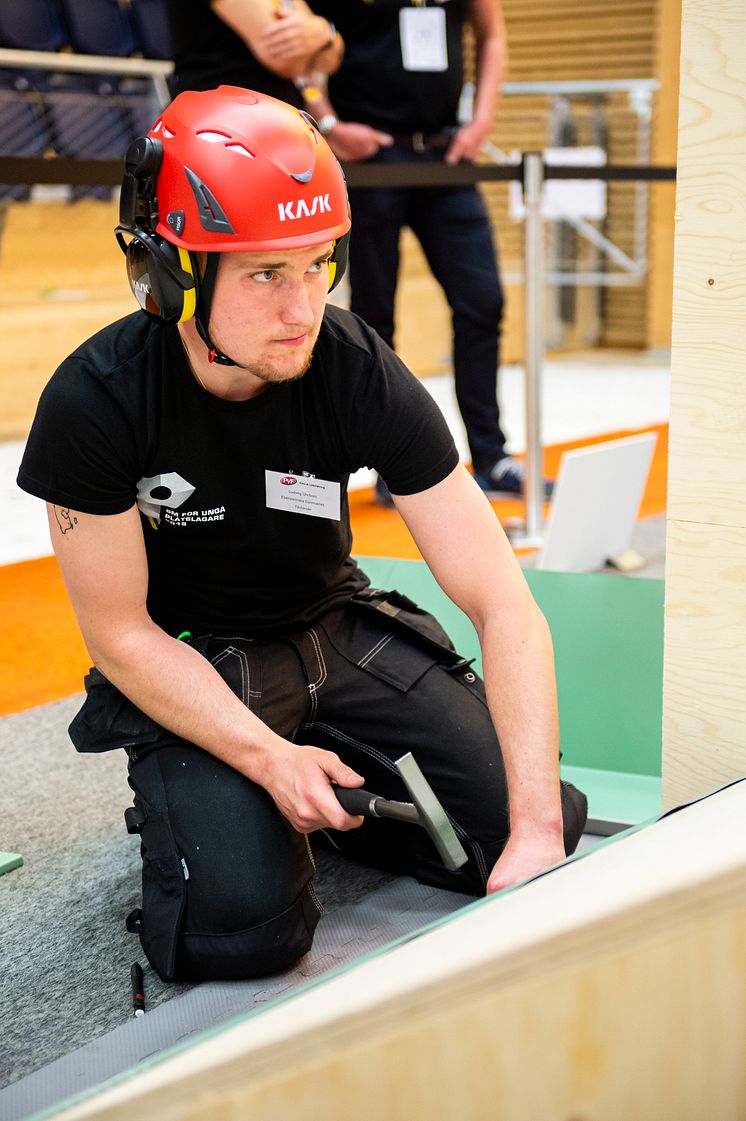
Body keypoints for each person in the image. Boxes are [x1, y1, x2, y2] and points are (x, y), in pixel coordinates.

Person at [17, 87, 586, 983]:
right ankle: (223, 803)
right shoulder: (95, 401)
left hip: (334, 623)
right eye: (264, 274)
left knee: (526, 824)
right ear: (172, 276)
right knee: (245, 931)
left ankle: (323, 786)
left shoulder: (356, 368)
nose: (303, 305)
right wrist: (267, 760)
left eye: (318, 264)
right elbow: (120, 637)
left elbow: (501, 599)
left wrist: (539, 831)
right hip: (201, 655)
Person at [308, 0, 550, 502]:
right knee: (375, 315)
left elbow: (492, 34)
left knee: (483, 301)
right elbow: (304, 48)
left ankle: (492, 456)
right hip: (372, 152)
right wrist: (327, 123)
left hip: (447, 151)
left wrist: (482, 120)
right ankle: (390, 469)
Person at [165, 0, 343, 107]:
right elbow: (284, 59)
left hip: (269, 122)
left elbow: (332, 60)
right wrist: (323, 35)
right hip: (218, 125)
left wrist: (323, 33)